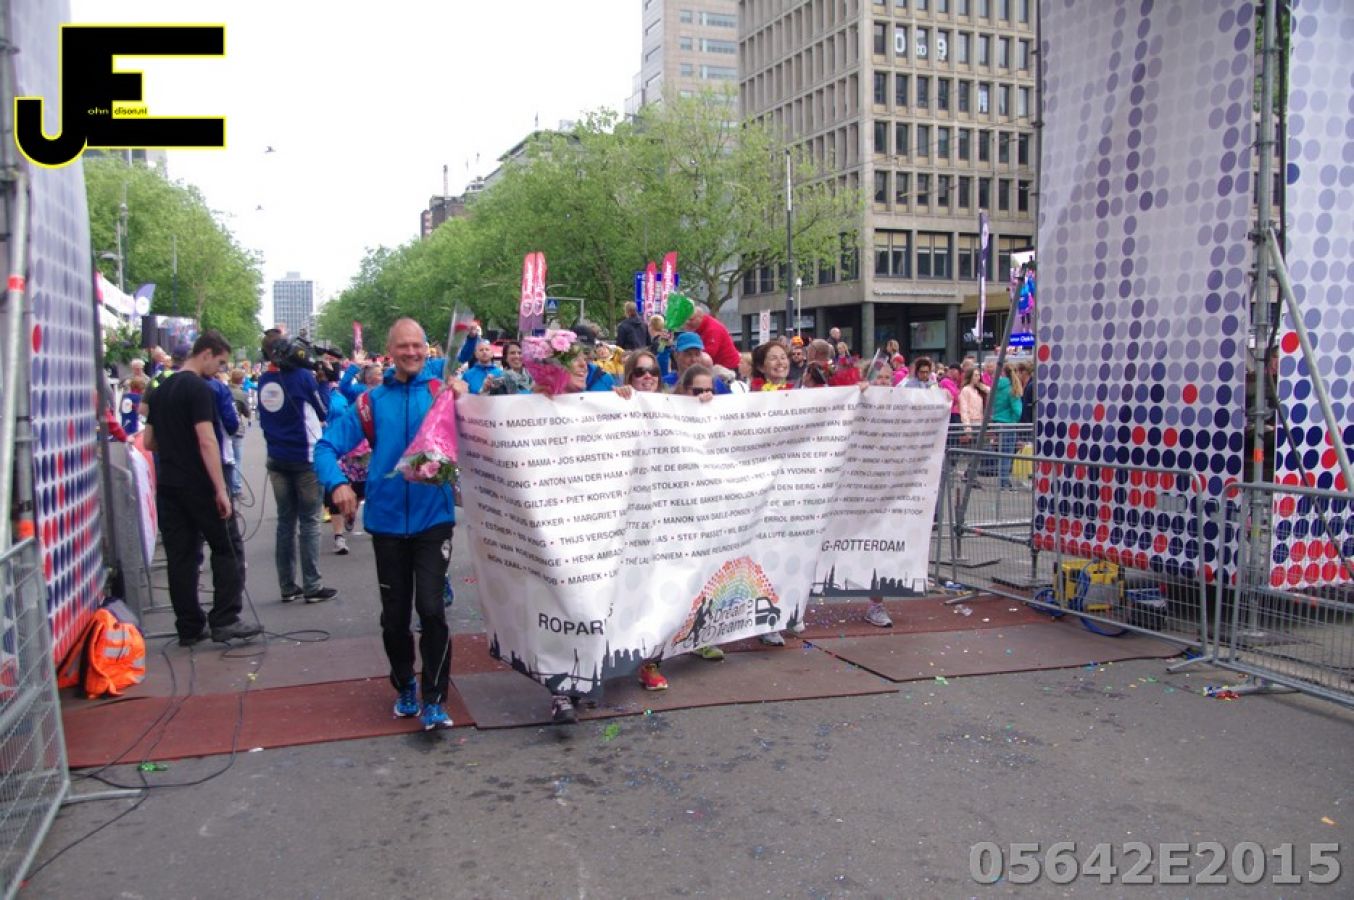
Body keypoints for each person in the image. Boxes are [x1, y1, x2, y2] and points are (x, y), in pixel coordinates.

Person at [315, 318, 466, 731]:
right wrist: (338, 484)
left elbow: (499, 420)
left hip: (434, 519)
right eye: (403, 346)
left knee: (431, 611)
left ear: (427, 348)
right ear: (390, 350)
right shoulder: (369, 402)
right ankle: (405, 685)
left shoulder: (443, 393)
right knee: (395, 618)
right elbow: (325, 446)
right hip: (386, 524)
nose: (411, 352)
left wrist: (468, 400)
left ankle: (434, 699)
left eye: (418, 345)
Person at [142, 331, 260, 646]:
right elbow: (207, 440)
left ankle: (189, 625)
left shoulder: (160, 389)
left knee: (181, 556)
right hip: (199, 481)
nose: (220, 370)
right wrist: (220, 489)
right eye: (219, 362)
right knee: (227, 546)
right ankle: (226, 618)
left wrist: (173, 444)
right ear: (206, 353)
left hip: (169, 483)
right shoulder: (198, 389)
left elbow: (148, 441)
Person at [258, 335, 337, 603]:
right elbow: (323, 410)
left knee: (285, 523)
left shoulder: (264, 380)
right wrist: (323, 382)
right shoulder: (303, 378)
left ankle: (287, 586)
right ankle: (312, 586)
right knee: (310, 522)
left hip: (276, 457)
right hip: (304, 457)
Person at [991, 362, 1026, 489]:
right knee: (1007, 453)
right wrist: (1014, 420)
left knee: (1001, 453)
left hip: (997, 422)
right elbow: (1017, 410)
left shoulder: (997, 386)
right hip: (1008, 423)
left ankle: (1003, 480)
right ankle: (1004, 481)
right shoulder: (1012, 388)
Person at [679, 303, 741, 370]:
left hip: (728, 368)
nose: (687, 322)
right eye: (685, 319)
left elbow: (709, 353)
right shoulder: (699, 328)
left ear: (700, 317)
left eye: (691, 319)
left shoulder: (712, 329)